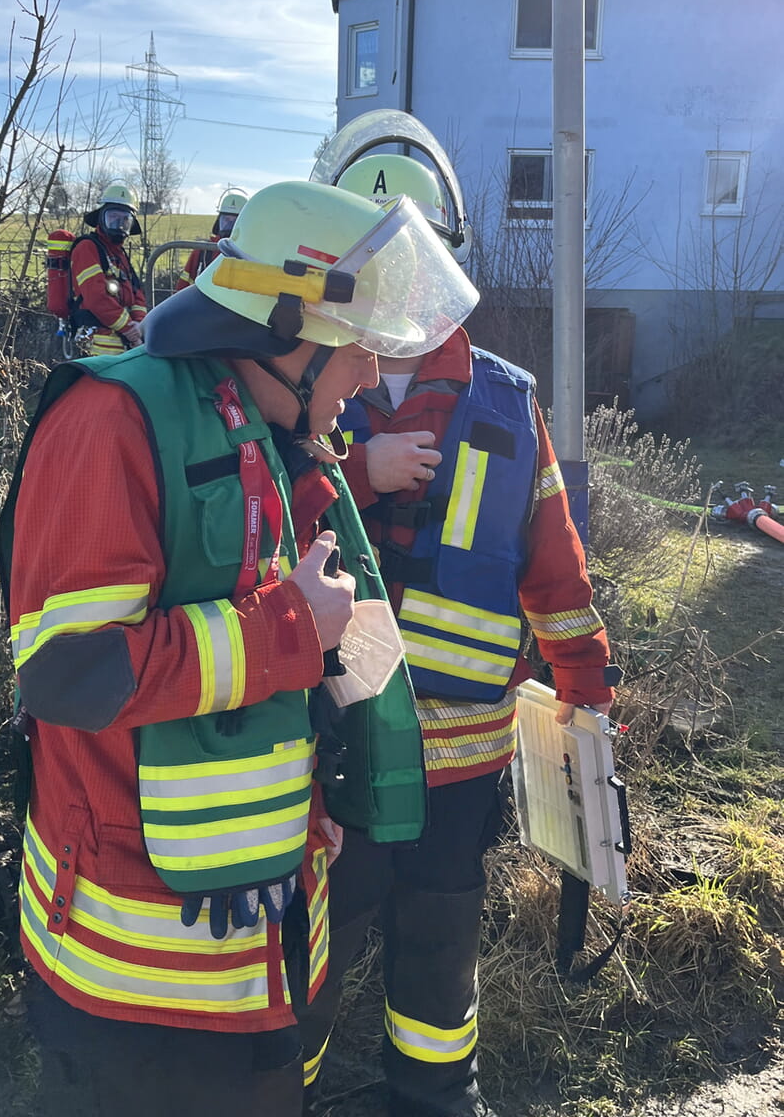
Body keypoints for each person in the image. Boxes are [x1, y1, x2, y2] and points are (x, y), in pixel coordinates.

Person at [0, 179, 479, 1117]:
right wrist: (290, 628)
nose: (368, 377)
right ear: (283, 328)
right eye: (357, 347)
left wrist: (302, 803)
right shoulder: (110, 423)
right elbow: (72, 671)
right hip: (139, 994)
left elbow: (243, 694)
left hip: (258, 957)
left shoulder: (263, 430)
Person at [300, 120, 619, 1117]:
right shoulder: (300, 387)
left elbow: (556, 572)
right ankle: (277, 1094)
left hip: (460, 769)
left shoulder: (507, 404)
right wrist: (359, 469)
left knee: (439, 964)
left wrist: (588, 696)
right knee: (309, 959)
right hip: (334, 759)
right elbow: (251, 543)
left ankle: (438, 1098)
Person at [71, 182, 148, 355]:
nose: (118, 224)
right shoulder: (87, 248)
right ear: (101, 218)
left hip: (125, 346)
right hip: (96, 347)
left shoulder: (119, 255)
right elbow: (96, 297)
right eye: (113, 217)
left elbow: (137, 295)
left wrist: (139, 325)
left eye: (125, 220)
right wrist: (129, 328)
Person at [174, 186, 248, 291]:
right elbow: (182, 288)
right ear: (218, 221)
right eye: (226, 220)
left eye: (235, 222)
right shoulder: (202, 251)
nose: (229, 226)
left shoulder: (250, 253)